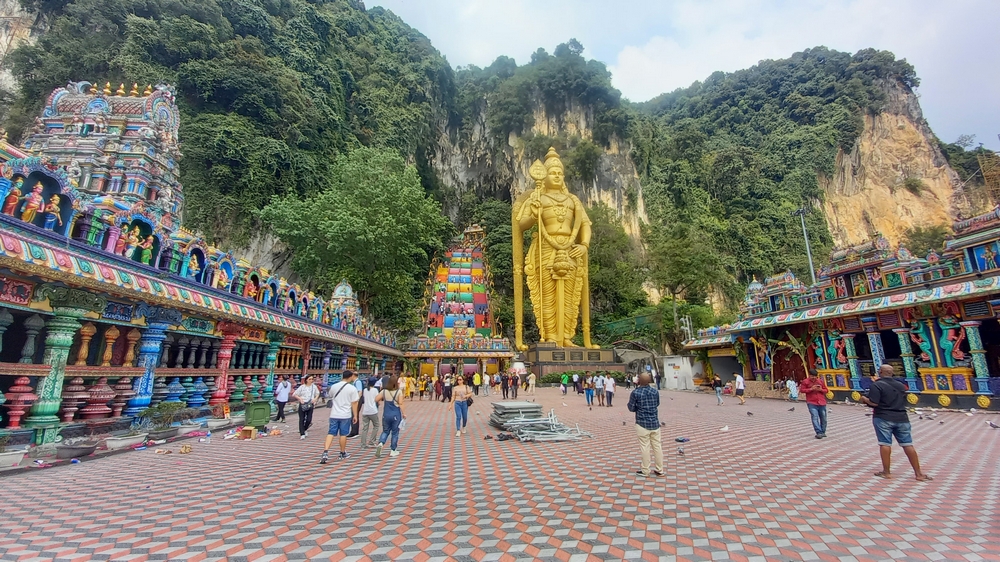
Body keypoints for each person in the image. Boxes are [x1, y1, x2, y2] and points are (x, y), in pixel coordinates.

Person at [859, 365, 932, 481]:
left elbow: (874, 403)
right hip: (902, 417)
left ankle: (886, 472)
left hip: (883, 417)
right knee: (908, 444)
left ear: (880, 372)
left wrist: (864, 399)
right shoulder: (900, 385)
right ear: (892, 373)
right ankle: (918, 473)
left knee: (885, 444)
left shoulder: (877, 385)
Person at [627, 373, 664, 477]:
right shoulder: (655, 391)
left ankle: (645, 470)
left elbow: (631, 408)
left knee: (645, 447)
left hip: (642, 422)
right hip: (655, 422)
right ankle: (660, 469)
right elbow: (657, 404)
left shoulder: (636, 392)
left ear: (639, 381)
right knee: (657, 446)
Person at [320, 371, 359, 463]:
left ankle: (325, 452)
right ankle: (342, 452)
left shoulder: (334, 386)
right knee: (343, 434)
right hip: (345, 415)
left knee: (331, 433)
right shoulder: (352, 388)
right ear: (350, 377)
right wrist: (355, 415)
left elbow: (330, 396)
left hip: (334, 414)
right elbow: (354, 403)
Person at [374, 375, 407, 458]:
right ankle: (393, 450)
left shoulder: (384, 391)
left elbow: (376, 399)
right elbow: (401, 403)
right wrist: (404, 413)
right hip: (395, 414)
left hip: (386, 414)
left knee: (385, 431)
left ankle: (381, 443)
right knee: (395, 433)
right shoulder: (398, 392)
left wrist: (381, 400)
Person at [801, 369, 829, 439]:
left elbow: (826, 390)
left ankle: (823, 432)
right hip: (811, 402)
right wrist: (811, 389)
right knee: (815, 417)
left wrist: (821, 390)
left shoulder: (820, 381)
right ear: (809, 375)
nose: (813, 378)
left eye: (815, 376)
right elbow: (802, 390)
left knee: (824, 418)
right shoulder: (805, 382)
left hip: (822, 402)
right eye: (812, 376)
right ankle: (818, 432)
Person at [293, 374, 321, 439]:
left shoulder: (314, 387)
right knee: (302, 419)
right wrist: (300, 399)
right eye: (309, 379)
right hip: (303, 404)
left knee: (309, 419)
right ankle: (302, 433)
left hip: (310, 404)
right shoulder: (302, 387)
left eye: (312, 379)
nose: (311, 380)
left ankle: (305, 429)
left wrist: (315, 399)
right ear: (306, 380)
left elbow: (317, 393)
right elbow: (295, 394)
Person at [359, 377, 381, 449]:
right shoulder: (375, 390)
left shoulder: (365, 390)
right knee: (376, 425)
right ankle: (372, 441)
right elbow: (377, 399)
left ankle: (363, 443)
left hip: (365, 411)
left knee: (365, 428)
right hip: (373, 411)